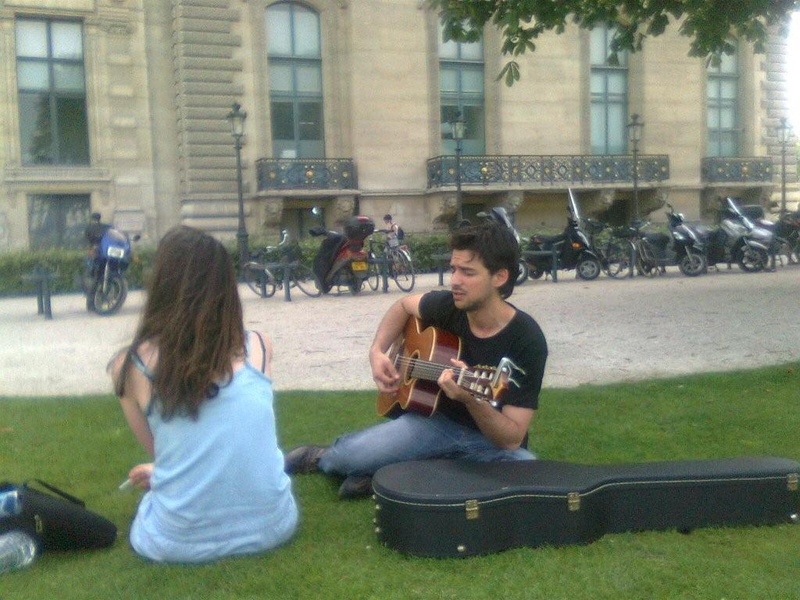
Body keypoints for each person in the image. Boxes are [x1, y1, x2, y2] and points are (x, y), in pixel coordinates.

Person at [285, 221, 548, 499]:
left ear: (500, 277)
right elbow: (403, 306)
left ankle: (390, 473)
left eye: (468, 272)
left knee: (524, 467)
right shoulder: (449, 306)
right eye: (453, 269)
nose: (455, 281)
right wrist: (377, 351)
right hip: (433, 423)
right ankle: (323, 456)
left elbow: (511, 438)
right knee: (345, 459)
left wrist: (472, 400)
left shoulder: (526, 339)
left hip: (490, 444)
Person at [109, 225, 298, 563]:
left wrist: (162, 471)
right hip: (272, 527)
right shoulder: (258, 346)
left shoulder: (130, 365)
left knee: (156, 503)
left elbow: (161, 451)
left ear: (161, 286)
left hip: (176, 543)